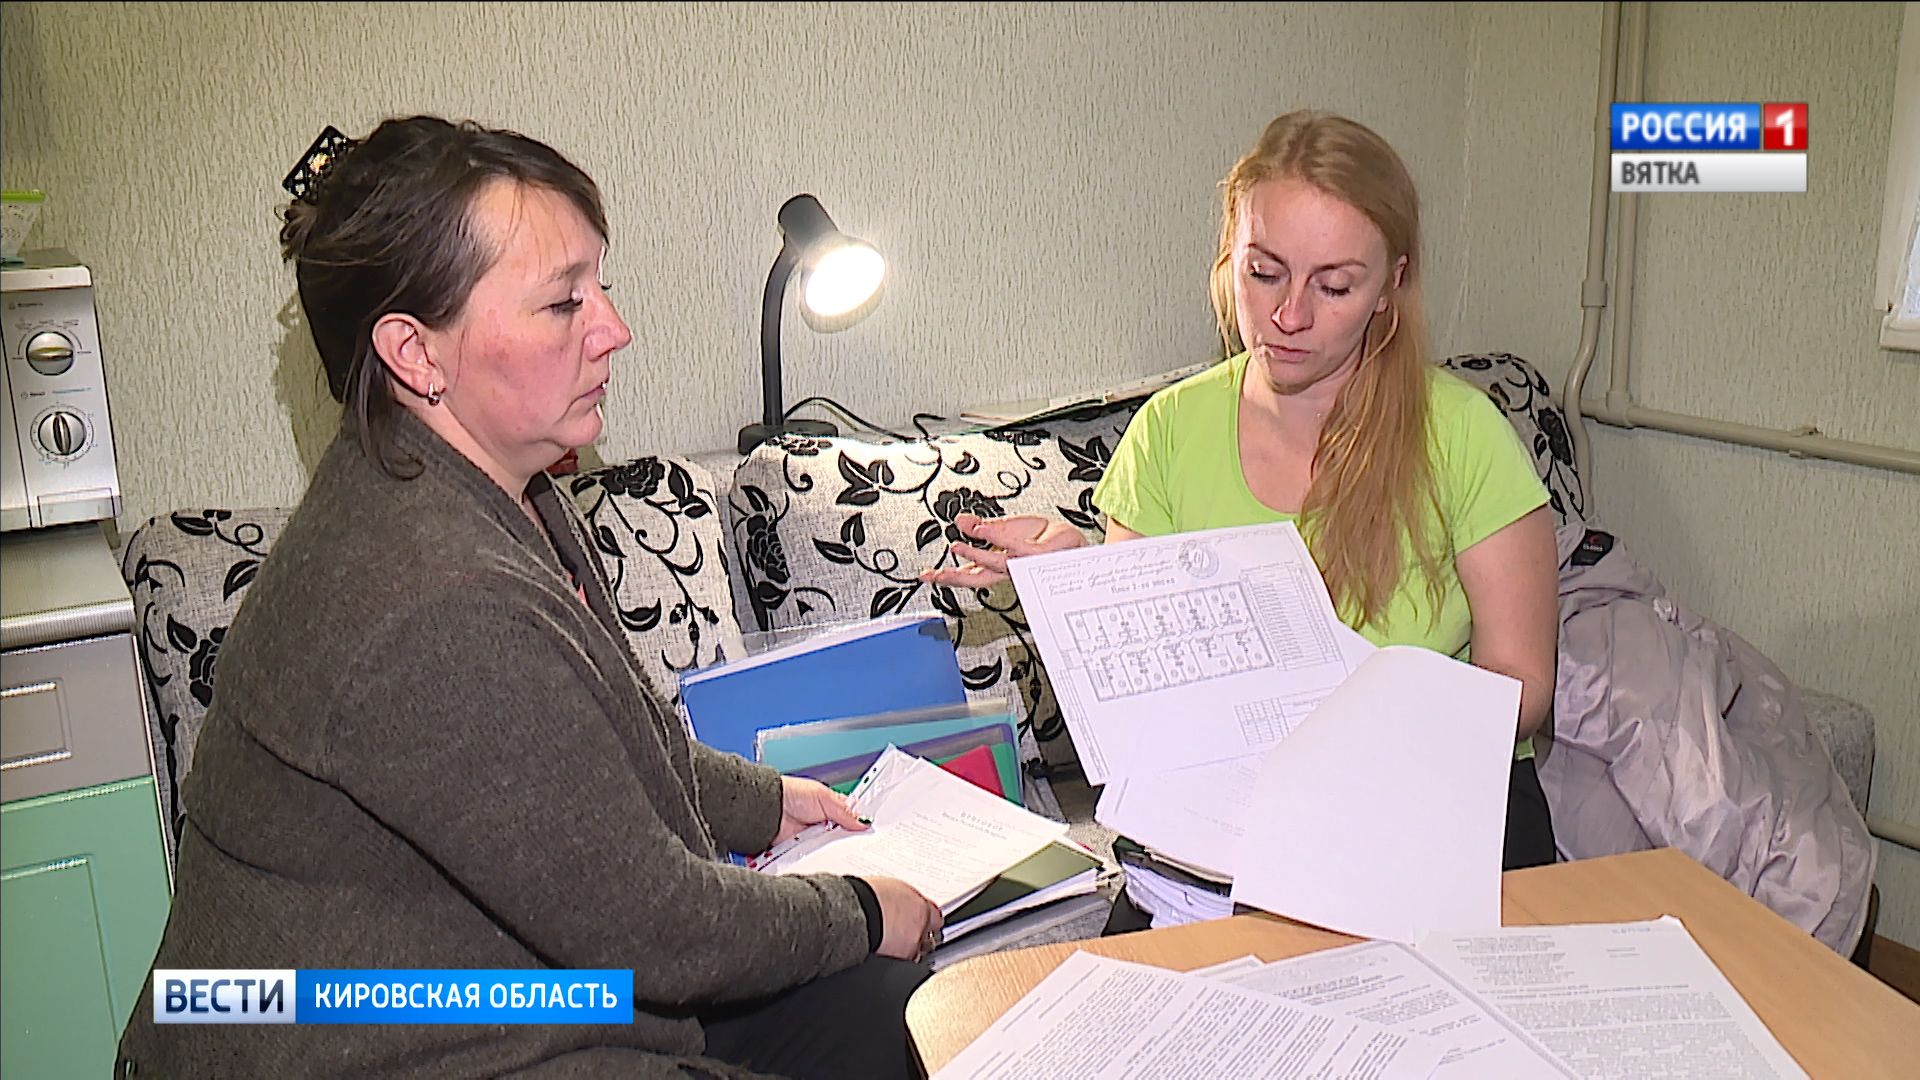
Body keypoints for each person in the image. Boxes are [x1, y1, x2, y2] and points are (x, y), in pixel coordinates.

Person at [117, 116, 942, 1078]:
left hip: (460, 996)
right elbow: (654, 928)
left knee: (898, 1014)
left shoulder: (490, 488)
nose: (613, 329)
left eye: (601, 286)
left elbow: (589, 753)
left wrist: (765, 804)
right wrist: (860, 910)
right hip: (356, 1042)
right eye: (562, 302)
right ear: (414, 353)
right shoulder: (434, 600)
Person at [922, 109, 1559, 934]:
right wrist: (1076, 582)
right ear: (1230, 256)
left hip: (1439, 809)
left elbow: (1523, 686)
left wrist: (1370, 734)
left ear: (1390, 287)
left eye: (1335, 286)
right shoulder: (1170, 429)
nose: (1289, 315)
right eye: (1264, 273)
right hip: (1223, 831)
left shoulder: (1465, 434)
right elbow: (1152, 701)